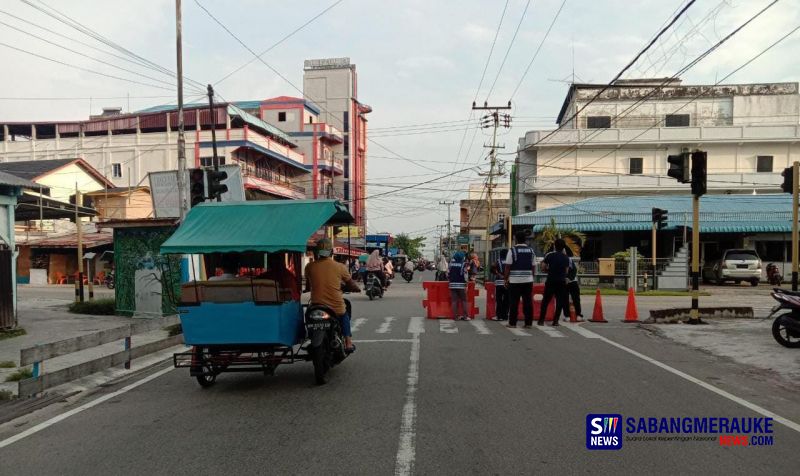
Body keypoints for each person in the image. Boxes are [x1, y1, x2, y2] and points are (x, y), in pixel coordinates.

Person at [305, 238, 361, 353]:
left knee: (308, 316)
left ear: (317, 252)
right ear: (331, 252)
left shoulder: (310, 266)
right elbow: (351, 284)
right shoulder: (340, 267)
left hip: (316, 305)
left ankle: (311, 338)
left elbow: (308, 285)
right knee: (344, 315)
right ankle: (348, 342)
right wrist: (356, 289)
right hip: (335, 307)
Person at [504, 232, 536, 328]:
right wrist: (531, 277)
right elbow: (533, 266)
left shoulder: (512, 250)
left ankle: (512, 323)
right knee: (528, 302)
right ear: (525, 240)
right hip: (528, 280)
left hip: (514, 281)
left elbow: (507, 266)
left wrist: (506, 279)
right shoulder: (531, 251)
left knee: (514, 302)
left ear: (516, 240)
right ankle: (528, 323)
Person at [538, 239, 571, 327]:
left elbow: (543, 267)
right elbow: (567, 271)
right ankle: (555, 321)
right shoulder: (566, 258)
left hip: (551, 280)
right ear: (564, 247)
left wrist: (548, 270)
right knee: (559, 301)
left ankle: (541, 320)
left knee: (545, 301)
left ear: (555, 246)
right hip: (561, 281)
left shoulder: (550, 255)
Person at [448, 251, 470, 321]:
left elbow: (447, 273)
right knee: (464, 300)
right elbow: (465, 275)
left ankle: (456, 317)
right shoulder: (464, 264)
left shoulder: (451, 264)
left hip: (452, 284)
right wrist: (467, 283)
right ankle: (466, 316)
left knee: (454, 301)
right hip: (461, 285)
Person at [491, 249, 508, 321]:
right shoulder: (509, 261)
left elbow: (492, 269)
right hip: (507, 283)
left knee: (499, 299)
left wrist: (498, 274)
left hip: (499, 283)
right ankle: (505, 315)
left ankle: (499, 316)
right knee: (507, 300)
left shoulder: (497, 261)